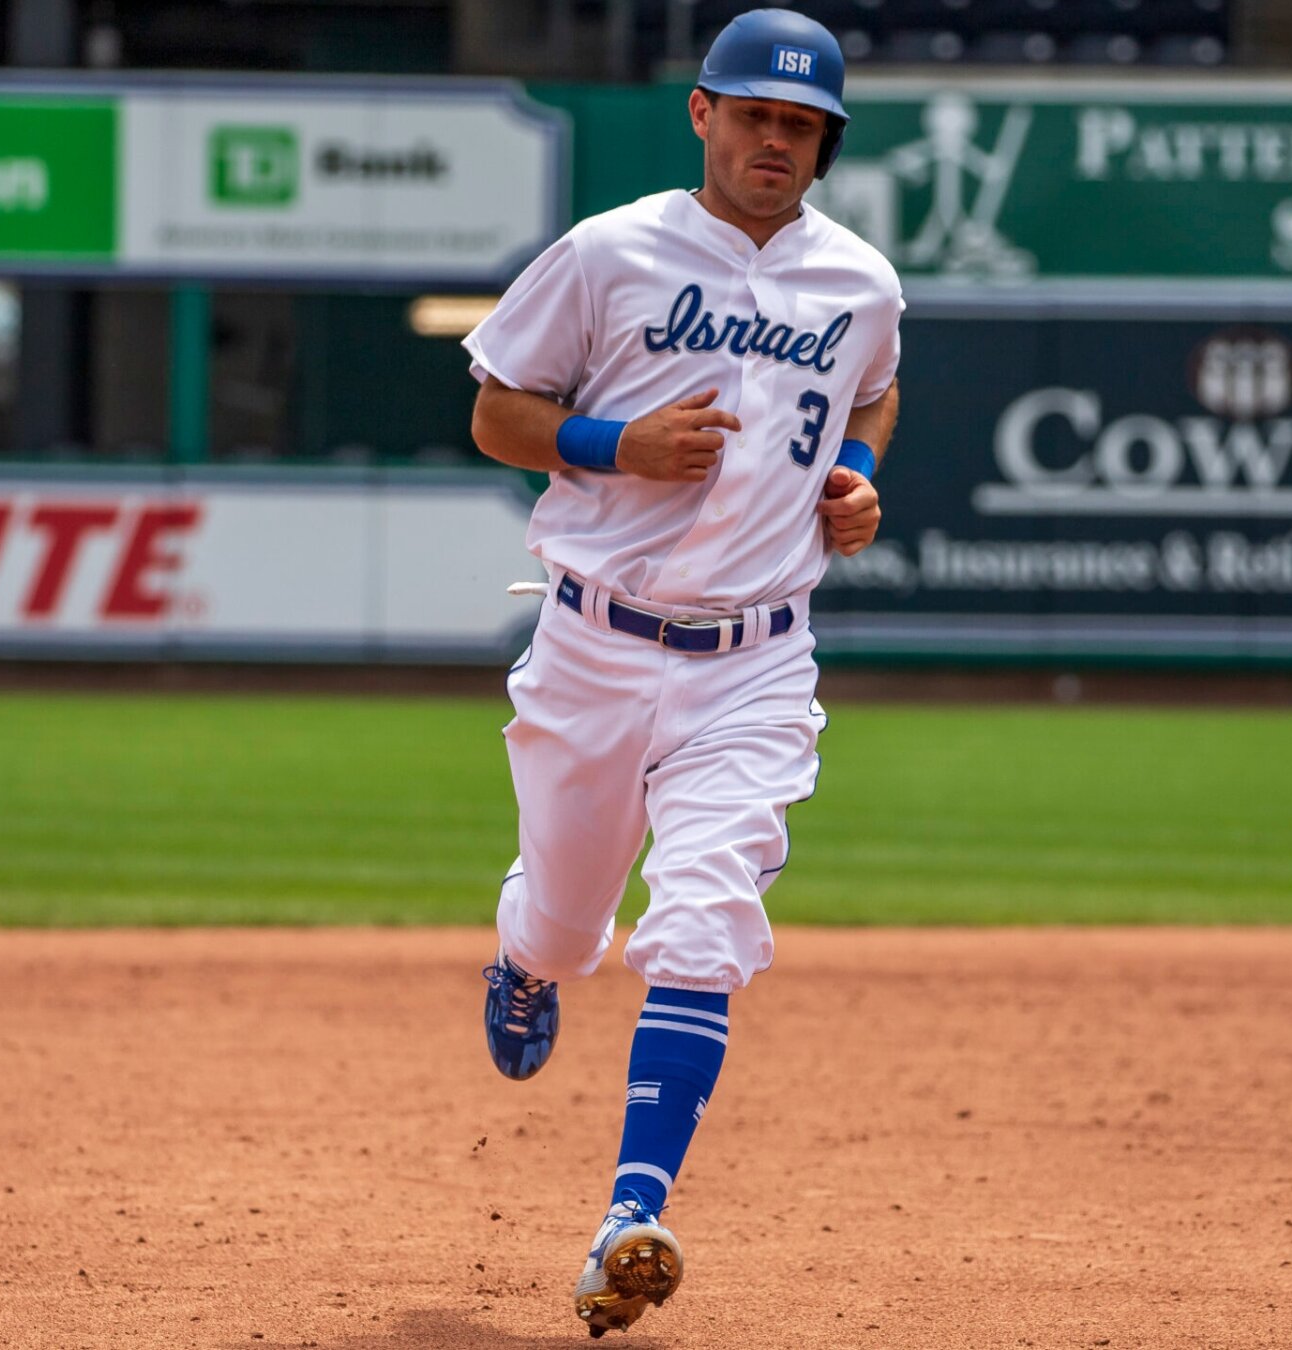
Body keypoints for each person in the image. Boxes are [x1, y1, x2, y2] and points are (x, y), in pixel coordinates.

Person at [461, 7, 903, 1337]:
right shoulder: (610, 252)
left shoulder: (861, 283)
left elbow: (873, 391)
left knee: (707, 915)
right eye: (754, 113)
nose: (776, 139)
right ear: (703, 114)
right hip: (596, 641)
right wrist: (614, 442)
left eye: (802, 124)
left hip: (757, 661)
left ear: (825, 140)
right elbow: (493, 411)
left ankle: (628, 1215)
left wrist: (860, 478)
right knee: (568, 921)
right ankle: (525, 952)